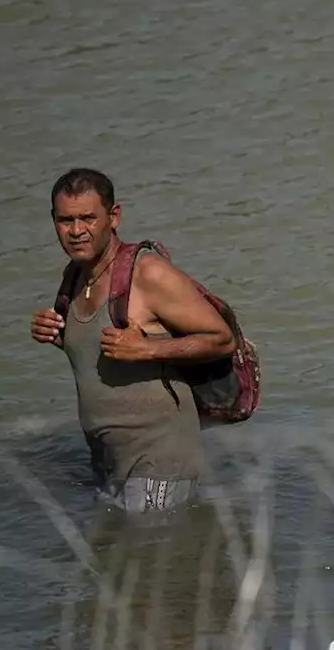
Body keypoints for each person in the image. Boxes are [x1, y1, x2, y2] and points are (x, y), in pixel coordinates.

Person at [30, 168, 236, 513]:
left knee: (149, 556)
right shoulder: (75, 274)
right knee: (120, 559)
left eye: (87, 218)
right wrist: (53, 332)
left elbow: (221, 338)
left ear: (114, 216)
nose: (76, 231)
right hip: (107, 458)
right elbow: (96, 351)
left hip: (159, 459)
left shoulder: (147, 272)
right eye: (65, 220)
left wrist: (147, 349)